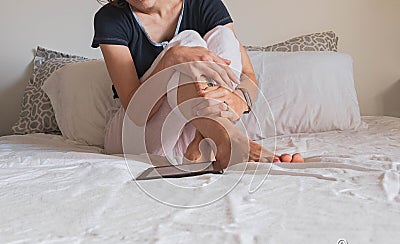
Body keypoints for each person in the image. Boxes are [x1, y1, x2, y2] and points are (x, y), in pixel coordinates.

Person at [92, 0, 304, 168]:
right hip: (137, 135)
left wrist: (239, 101)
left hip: (189, 133)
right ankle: (228, 141)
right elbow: (137, 112)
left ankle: (206, 145)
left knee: (223, 36)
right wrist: (170, 60)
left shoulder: (204, 4)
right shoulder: (110, 18)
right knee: (188, 41)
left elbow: (247, 76)